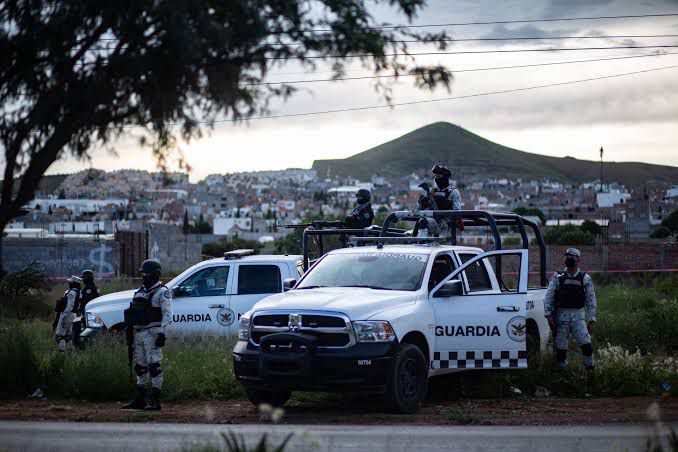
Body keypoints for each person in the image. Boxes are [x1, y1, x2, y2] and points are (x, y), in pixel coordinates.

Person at [122, 259, 172, 411]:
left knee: (154, 366)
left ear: (156, 275)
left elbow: (167, 315)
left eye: (147, 274)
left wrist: (162, 334)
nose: (144, 277)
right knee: (140, 367)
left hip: (152, 333)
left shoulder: (162, 292)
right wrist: (129, 332)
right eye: (143, 274)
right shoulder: (140, 292)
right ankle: (140, 399)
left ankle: (155, 401)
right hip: (138, 333)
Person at [544, 248, 597, 370]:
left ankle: (590, 372)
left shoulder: (585, 278)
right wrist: (548, 315)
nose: (569, 258)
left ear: (578, 259)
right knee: (561, 350)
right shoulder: (557, 277)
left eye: (572, 256)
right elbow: (549, 296)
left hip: (579, 317)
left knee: (587, 346)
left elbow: (591, 300)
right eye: (567, 256)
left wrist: (592, 320)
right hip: (561, 317)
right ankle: (564, 375)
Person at [416, 164, 462, 236]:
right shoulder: (431, 191)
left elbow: (457, 212)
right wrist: (422, 203)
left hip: (444, 223)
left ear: (445, 177)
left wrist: (445, 205)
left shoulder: (453, 192)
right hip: (430, 220)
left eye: (439, 176)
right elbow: (418, 210)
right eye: (435, 176)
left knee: (423, 222)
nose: (437, 179)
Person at [72, 269, 100, 349]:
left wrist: (80, 309)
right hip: (93, 313)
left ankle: (86, 348)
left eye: (84, 278)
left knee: (88, 332)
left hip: (89, 314)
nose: (83, 279)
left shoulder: (89, 289)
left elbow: (87, 302)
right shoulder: (94, 288)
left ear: (87, 278)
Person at [54, 276, 82, 352]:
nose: (69, 283)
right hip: (74, 315)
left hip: (68, 314)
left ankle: (62, 354)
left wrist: (64, 316)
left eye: (71, 282)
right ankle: (70, 353)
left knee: (60, 336)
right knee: (68, 336)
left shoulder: (72, 292)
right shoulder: (79, 292)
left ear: (73, 283)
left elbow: (70, 305)